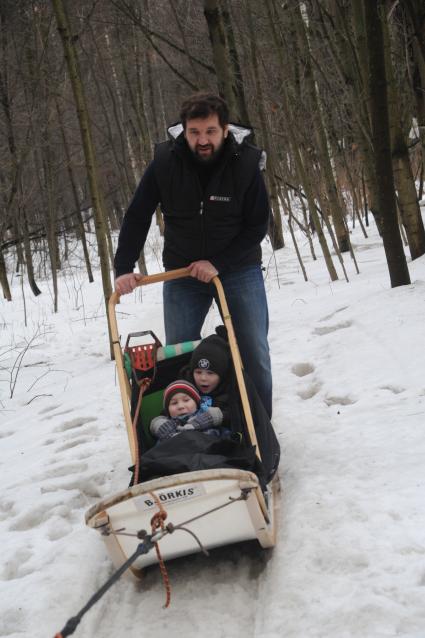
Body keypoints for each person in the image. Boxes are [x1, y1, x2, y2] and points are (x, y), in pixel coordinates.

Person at [114, 92, 273, 417]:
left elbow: (258, 225)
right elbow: (138, 214)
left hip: (237, 269)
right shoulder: (165, 163)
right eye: (195, 133)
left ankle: (259, 431)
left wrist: (218, 263)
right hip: (183, 273)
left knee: (253, 351)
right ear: (183, 131)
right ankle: (189, 432)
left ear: (225, 129)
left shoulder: (245, 164)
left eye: (210, 132)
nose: (202, 140)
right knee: (180, 355)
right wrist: (124, 267)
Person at [150, 379, 225, 441]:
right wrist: (159, 425)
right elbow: (156, 423)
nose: (180, 406)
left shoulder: (207, 417)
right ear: (167, 410)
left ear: (196, 403)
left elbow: (217, 415)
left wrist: (198, 423)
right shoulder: (167, 426)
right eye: (174, 403)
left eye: (186, 400)